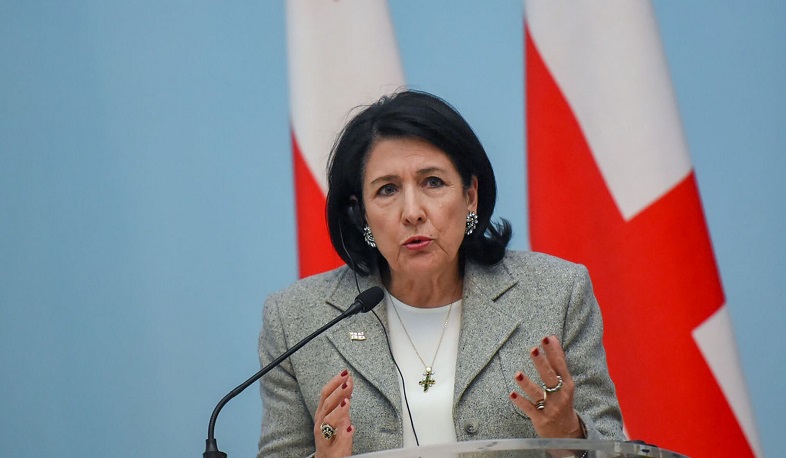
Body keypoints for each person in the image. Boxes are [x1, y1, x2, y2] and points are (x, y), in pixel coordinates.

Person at [257, 90, 624, 457]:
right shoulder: (296, 320)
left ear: (470, 196)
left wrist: (569, 436)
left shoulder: (556, 292)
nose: (412, 212)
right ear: (361, 214)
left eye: (432, 182)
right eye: (387, 190)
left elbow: (614, 448)